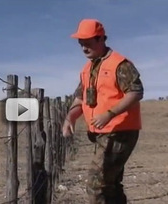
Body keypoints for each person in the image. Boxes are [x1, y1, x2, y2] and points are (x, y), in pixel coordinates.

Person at [62, 19, 144, 204]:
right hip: (102, 133)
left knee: (96, 184)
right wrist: (70, 118)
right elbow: (80, 97)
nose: (83, 48)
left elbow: (136, 92)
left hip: (119, 132)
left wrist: (110, 113)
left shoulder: (119, 64)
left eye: (88, 43)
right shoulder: (88, 68)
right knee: (110, 184)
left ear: (101, 39)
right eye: (81, 43)